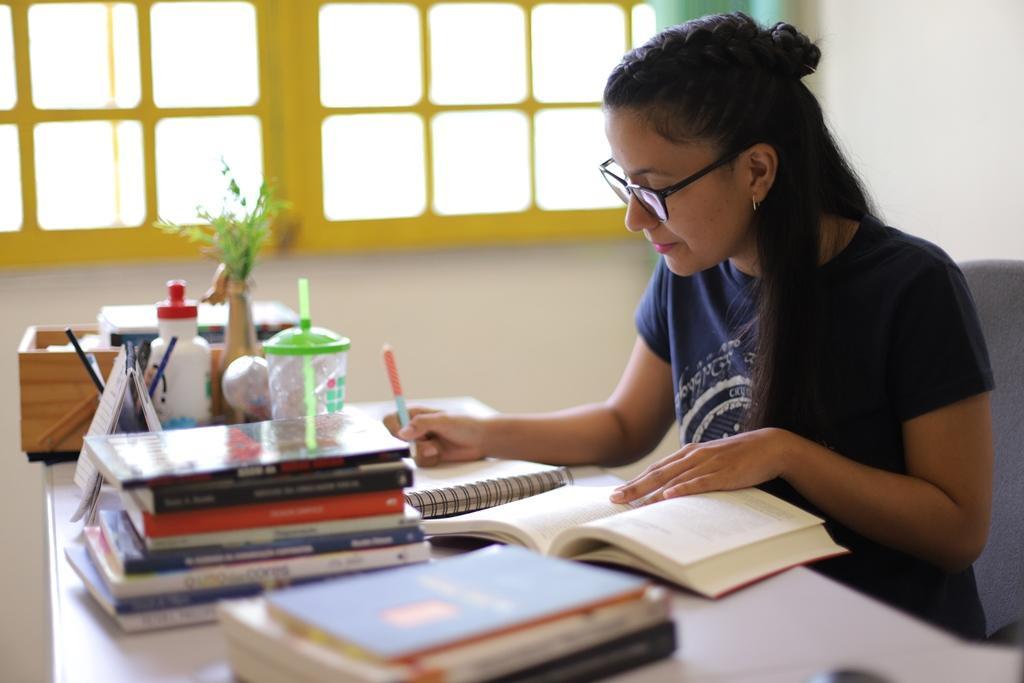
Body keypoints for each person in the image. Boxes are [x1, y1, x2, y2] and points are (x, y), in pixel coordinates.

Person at [385, 12, 994, 639]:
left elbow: (956, 532)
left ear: (757, 170)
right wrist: (485, 433)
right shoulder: (693, 267)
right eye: (624, 182)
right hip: (733, 614)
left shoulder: (910, 286)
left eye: (657, 189)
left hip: (882, 639)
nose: (633, 218)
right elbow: (624, 426)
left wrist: (786, 453)